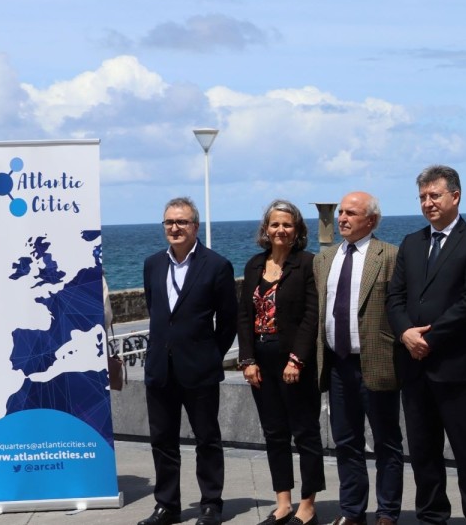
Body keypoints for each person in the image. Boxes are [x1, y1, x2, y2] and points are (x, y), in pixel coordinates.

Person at [386, 165, 466, 525]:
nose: (428, 203)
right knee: (422, 453)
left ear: (455, 196)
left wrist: (428, 340)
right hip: (415, 370)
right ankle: (431, 517)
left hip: (457, 368)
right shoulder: (411, 243)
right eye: (422, 197)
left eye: (434, 195)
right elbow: (395, 297)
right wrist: (405, 333)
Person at [139, 197, 238, 525]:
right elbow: (157, 312)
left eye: (181, 222)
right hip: (160, 370)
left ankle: (211, 503)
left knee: (207, 439)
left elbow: (227, 321)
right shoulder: (153, 264)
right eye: (169, 222)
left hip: (199, 370)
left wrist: (210, 356)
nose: (174, 228)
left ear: (195, 226)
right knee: (162, 440)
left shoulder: (217, 265)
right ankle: (167, 506)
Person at [314, 192, 403, 525]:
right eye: (340, 212)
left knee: (386, 443)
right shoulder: (323, 259)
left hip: (377, 363)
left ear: (372, 220)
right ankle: (352, 511)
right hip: (338, 366)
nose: (342, 218)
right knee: (346, 441)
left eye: (351, 213)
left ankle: (387, 513)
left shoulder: (390, 256)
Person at [237, 200, 324, 525]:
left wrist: (297, 360)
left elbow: (311, 317)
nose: (280, 230)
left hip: (294, 364)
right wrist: (247, 359)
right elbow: (244, 315)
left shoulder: (307, 264)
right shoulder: (254, 265)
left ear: (297, 230)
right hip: (261, 361)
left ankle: (307, 504)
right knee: (274, 434)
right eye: (275, 224)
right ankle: (283, 502)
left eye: (287, 225)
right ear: (266, 229)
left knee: (305, 433)